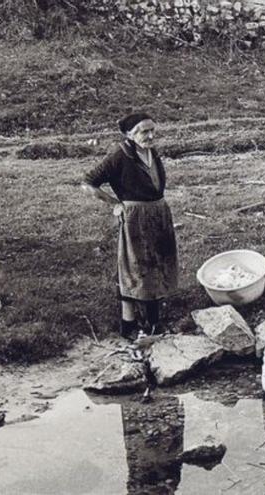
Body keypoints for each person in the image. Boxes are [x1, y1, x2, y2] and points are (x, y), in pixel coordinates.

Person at [81, 113, 179, 339]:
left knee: (157, 265)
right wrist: (115, 203)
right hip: (136, 217)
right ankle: (129, 325)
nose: (151, 135)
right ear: (129, 134)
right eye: (144, 131)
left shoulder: (150, 152)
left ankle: (153, 322)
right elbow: (88, 183)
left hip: (158, 213)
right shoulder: (119, 156)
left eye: (153, 130)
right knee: (135, 268)